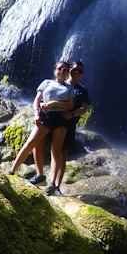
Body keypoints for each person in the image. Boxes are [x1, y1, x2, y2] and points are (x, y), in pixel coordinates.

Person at [9, 61, 73, 189]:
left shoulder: (69, 88)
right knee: (30, 143)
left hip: (60, 119)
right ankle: (11, 171)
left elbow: (70, 105)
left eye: (66, 70)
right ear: (55, 70)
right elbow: (36, 101)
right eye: (60, 68)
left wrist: (53, 104)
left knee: (56, 151)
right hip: (45, 116)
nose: (62, 71)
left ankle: (51, 184)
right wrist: (36, 114)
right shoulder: (46, 83)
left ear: (67, 73)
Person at [47, 61, 90, 191]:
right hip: (54, 121)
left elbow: (85, 108)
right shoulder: (60, 84)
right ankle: (49, 181)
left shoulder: (82, 90)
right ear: (69, 69)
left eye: (80, 71)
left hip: (69, 125)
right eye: (75, 69)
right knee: (54, 151)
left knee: (63, 154)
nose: (77, 73)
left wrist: (71, 114)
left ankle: (56, 185)